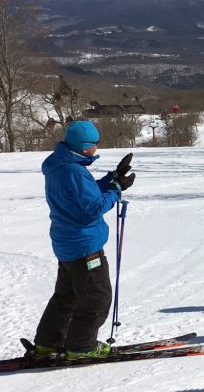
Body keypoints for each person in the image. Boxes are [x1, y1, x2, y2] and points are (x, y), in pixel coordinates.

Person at [33, 120, 137, 360]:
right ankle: (81, 347)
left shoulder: (61, 165)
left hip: (67, 243)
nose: (96, 149)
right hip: (84, 246)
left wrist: (113, 177)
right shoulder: (74, 171)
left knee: (66, 297)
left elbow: (83, 193)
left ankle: (48, 344)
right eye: (94, 144)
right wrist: (116, 190)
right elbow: (93, 207)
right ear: (83, 147)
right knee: (97, 299)